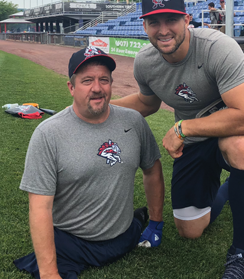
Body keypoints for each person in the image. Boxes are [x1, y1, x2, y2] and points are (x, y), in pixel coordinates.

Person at [111, 0, 244, 279]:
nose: (163, 29)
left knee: (240, 148)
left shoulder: (216, 47)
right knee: (190, 230)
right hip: (194, 142)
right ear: (144, 25)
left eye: (171, 19)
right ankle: (235, 187)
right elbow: (147, 102)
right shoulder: (145, 62)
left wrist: (183, 126)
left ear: (187, 19)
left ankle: (241, 256)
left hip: (232, 129)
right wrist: (101, 108)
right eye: (154, 22)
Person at [13, 46, 165, 279]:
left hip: (124, 237)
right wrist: (48, 273)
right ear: (71, 88)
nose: (97, 88)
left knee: (136, 222)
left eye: (104, 79)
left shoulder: (133, 121)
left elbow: (152, 170)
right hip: (72, 245)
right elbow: (39, 207)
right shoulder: (48, 134)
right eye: (87, 80)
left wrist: (155, 223)